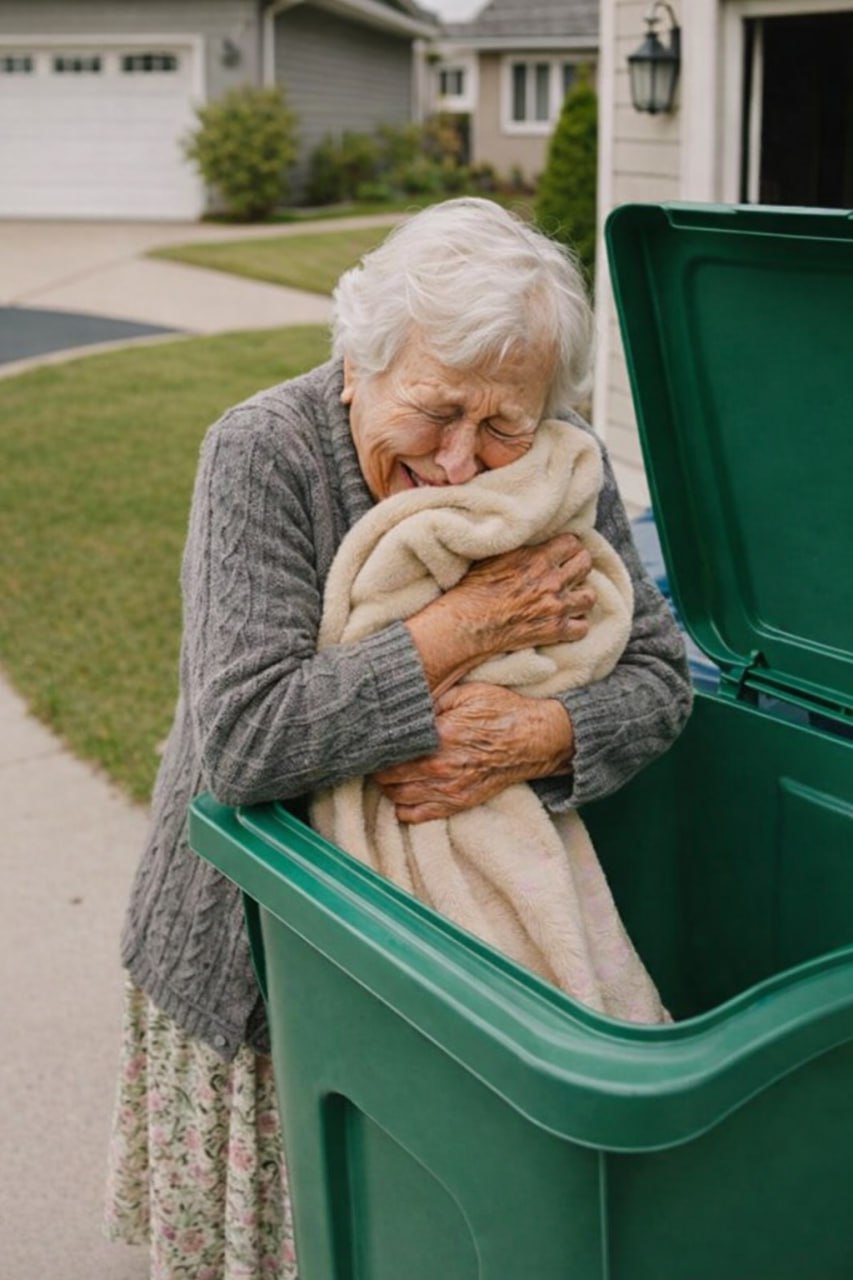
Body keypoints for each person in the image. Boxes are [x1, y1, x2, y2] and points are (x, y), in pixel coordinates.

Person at [105, 197, 692, 1278]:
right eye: (433, 410)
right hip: (257, 966)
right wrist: (461, 629)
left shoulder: (570, 470)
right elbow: (244, 737)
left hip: (465, 964)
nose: (465, 463)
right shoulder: (264, 452)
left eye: (504, 424)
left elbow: (661, 677)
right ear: (357, 362)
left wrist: (545, 729)